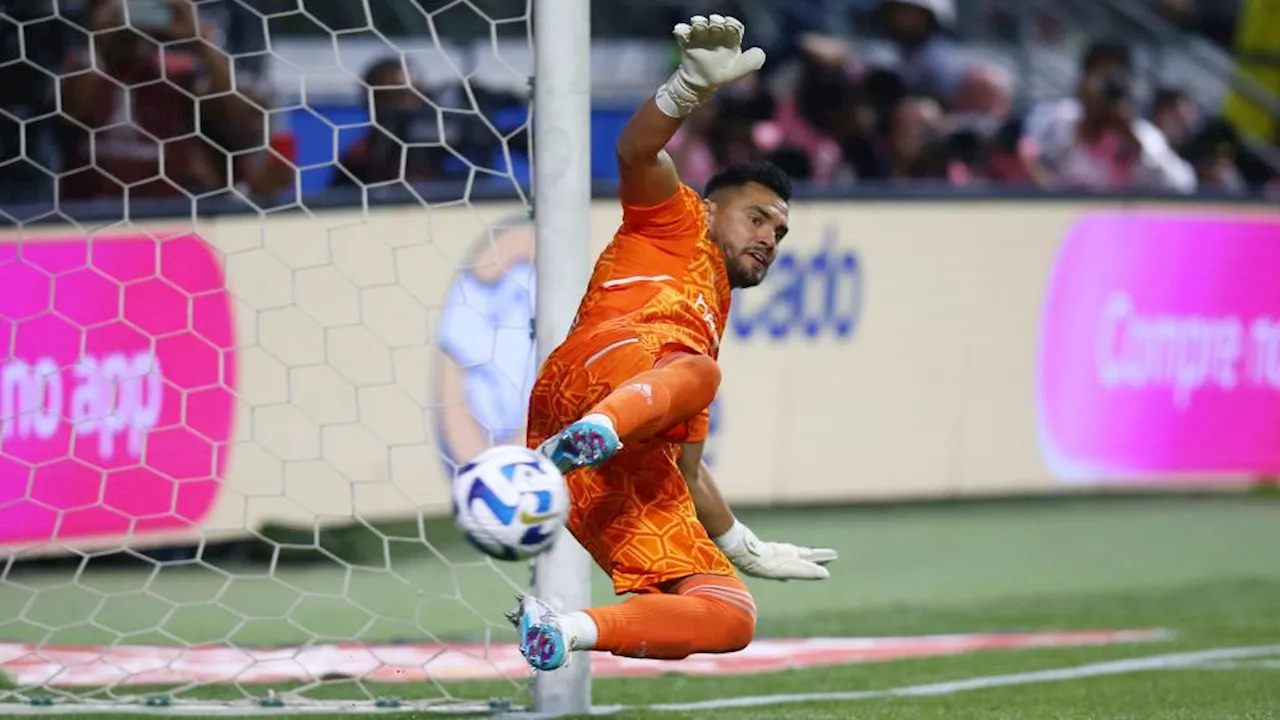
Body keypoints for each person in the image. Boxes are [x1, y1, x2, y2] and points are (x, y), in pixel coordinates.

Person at [510, 14, 838, 672]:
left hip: (613, 467)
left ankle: (563, 631)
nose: (770, 239)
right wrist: (688, 87)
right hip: (589, 383)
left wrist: (742, 546)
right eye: (758, 218)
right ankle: (597, 429)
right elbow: (635, 151)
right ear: (714, 207)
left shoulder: (704, 333)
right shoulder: (676, 218)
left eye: (781, 234)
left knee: (729, 614)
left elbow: (685, 473)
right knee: (699, 378)